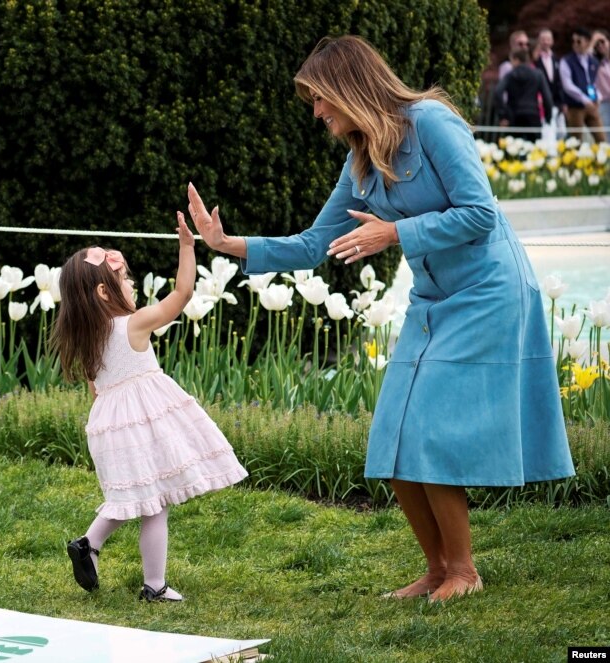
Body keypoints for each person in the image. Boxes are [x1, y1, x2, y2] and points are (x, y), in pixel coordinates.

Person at [188, 36, 575, 602]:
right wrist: (227, 243)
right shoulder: (360, 158)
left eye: (320, 98)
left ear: (349, 87)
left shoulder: (433, 124)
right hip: (432, 300)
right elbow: (313, 243)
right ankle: (438, 569)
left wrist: (393, 232)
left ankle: (465, 572)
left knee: (430, 432)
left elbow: (480, 215)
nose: (316, 111)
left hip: (488, 292)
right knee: (393, 432)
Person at [50, 215, 248, 602]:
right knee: (153, 504)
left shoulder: (91, 341)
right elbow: (183, 294)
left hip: (111, 428)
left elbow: (98, 392)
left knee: (133, 497)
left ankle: (88, 544)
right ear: (106, 294)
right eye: (124, 280)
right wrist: (187, 248)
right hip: (142, 425)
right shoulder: (134, 325)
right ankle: (154, 586)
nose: (131, 285)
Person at [493, 48, 554, 138]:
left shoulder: (510, 75)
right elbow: (547, 98)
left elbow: (498, 92)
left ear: (516, 60)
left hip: (514, 116)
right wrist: (548, 117)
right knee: (535, 150)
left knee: (513, 148)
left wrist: (503, 115)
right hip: (533, 116)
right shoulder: (538, 74)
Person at [559, 27, 606, 143]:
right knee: (575, 140)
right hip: (575, 106)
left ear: (587, 42)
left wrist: (598, 96)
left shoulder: (593, 61)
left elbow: (595, 82)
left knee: (601, 138)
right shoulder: (566, 61)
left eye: (579, 41)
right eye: (573, 41)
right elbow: (567, 85)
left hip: (592, 104)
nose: (575, 44)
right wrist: (584, 99)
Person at [534, 28, 566, 121]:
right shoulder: (535, 59)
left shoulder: (557, 59)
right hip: (540, 101)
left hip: (556, 101)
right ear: (539, 41)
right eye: (543, 39)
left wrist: (562, 102)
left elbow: (560, 82)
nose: (545, 42)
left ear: (552, 41)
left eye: (548, 39)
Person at [593, 30, 610, 131]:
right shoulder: (596, 63)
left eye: (602, 42)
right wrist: (592, 41)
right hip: (604, 103)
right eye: (597, 44)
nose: (600, 45)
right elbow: (584, 55)